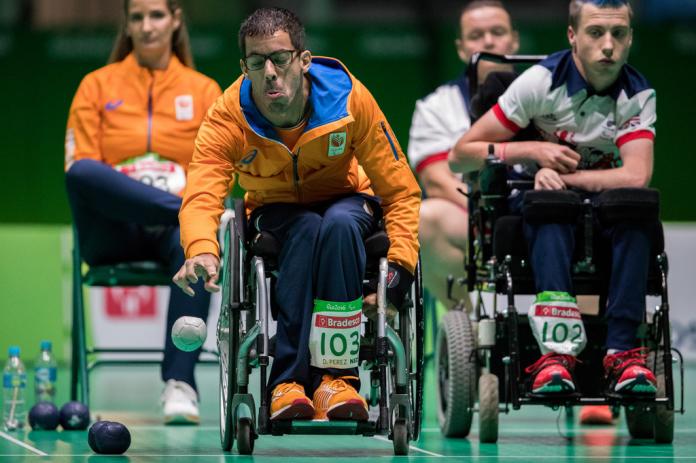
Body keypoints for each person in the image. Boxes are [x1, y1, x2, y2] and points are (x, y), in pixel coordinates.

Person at [173, 7, 421, 422]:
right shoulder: (227, 117)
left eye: (280, 58)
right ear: (245, 67)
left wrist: (400, 270)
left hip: (345, 199)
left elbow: (399, 190)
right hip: (276, 212)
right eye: (257, 61)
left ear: (303, 60)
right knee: (306, 227)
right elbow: (202, 190)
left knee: (339, 225)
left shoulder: (348, 99)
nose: (270, 71)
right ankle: (286, 383)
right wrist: (201, 248)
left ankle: (337, 381)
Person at [449, 0, 657, 410]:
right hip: (539, 203)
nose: (608, 45)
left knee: (636, 204)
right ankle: (555, 355)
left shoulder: (637, 92)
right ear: (572, 36)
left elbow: (635, 174)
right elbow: (462, 153)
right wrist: (531, 151)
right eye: (596, 33)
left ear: (631, 38)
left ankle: (621, 354)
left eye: (618, 34)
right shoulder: (540, 83)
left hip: (603, 207)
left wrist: (567, 177)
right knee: (551, 204)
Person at [64, 0, 222, 425]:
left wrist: (192, 217)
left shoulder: (205, 90)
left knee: (193, 245)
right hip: (112, 229)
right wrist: (188, 209)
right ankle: (183, 213)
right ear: (127, 26)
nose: (147, 26)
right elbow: (81, 166)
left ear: (175, 19)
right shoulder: (96, 85)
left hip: (173, 234)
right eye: (137, 17)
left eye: (156, 15)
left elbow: (215, 169)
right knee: (81, 172)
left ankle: (180, 384)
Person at [408, 0, 519, 307]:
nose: (488, 41)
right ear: (460, 48)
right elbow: (438, 182)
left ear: (515, 40)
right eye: (476, 35)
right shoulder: (436, 106)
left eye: (497, 31)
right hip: (473, 221)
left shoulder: (550, 96)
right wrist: (491, 220)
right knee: (425, 217)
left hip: (544, 216)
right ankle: (468, 329)